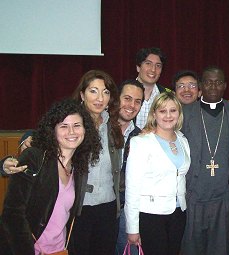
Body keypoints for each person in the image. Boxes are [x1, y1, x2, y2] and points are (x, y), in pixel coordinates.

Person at [0, 99, 101, 255]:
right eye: (64, 126)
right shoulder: (35, 157)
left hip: (59, 250)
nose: (72, 132)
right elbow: (12, 214)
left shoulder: (79, 168)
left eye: (77, 125)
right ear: (52, 130)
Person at [125, 92, 190, 255]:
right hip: (151, 215)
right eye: (162, 111)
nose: (168, 115)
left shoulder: (183, 140)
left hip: (179, 212)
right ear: (154, 113)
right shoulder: (140, 142)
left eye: (173, 110)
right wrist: (132, 228)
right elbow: (132, 188)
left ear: (179, 113)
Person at [181, 66, 229, 255]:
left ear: (225, 86)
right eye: (208, 81)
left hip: (223, 199)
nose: (213, 86)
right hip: (193, 197)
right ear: (201, 86)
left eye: (218, 82)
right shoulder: (184, 113)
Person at [70, 70, 124, 255]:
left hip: (108, 206)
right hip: (79, 207)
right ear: (82, 95)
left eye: (106, 92)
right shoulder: (71, 124)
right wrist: (25, 141)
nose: (100, 97)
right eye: (94, 91)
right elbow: (41, 136)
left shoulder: (112, 125)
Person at [115, 79, 144, 255]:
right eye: (127, 98)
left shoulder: (141, 137)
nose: (131, 105)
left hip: (127, 210)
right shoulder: (98, 128)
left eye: (137, 101)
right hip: (98, 208)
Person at [135, 47, 171, 129]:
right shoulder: (122, 93)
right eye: (148, 63)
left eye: (158, 65)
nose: (153, 69)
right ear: (138, 67)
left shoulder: (166, 95)